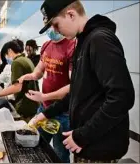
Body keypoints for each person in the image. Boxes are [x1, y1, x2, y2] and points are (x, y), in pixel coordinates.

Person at [29, 0, 135, 163]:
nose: (56, 31)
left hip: (99, 146)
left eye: (56, 25)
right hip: (87, 142)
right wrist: (46, 113)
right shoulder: (83, 42)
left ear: (71, 14)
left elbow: (122, 96)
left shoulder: (100, 40)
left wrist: (82, 136)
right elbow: (77, 92)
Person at [19, 28, 75, 162]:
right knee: (37, 144)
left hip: (62, 112)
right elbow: (38, 72)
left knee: (59, 153)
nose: (50, 28)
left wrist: (45, 96)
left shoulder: (72, 47)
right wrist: (28, 76)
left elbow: (74, 85)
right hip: (45, 108)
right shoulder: (47, 45)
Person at [0, 40, 40, 122]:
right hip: (33, 102)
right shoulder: (26, 59)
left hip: (25, 104)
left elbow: (17, 87)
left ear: (9, 50)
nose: (7, 57)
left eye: (6, 54)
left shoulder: (17, 62)